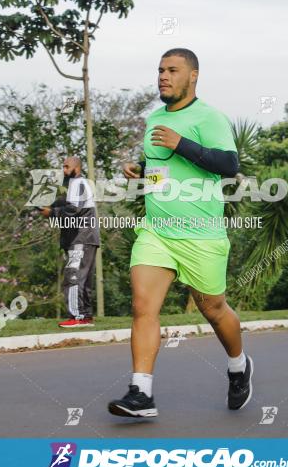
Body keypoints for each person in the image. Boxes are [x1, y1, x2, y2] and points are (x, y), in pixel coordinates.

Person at [107, 48, 251, 418]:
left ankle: (239, 366)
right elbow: (159, 165)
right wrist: (140, 169)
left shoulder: (209, 117)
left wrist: (181, 144)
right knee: (142, 306)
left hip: (201, 234)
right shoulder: (154, 117)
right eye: (160, 70)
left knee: (214, 309)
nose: (163, 77)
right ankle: (141, 393)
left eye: (173, 70)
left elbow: (229, 165)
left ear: (193, 76)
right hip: (157, 231)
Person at [40, 156, 100, 328]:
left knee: (73, 275)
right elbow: (69, 205)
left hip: (81, 237)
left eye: (67, 167)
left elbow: (73, 209)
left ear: (77, 168)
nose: (64, 170)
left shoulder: (77, 183)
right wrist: (52, 207)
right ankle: (86, 316)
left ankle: (77, 316)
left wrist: (51, 213)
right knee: (84, 278)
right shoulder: (79, 184)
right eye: (63, 167)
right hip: (88, 238)